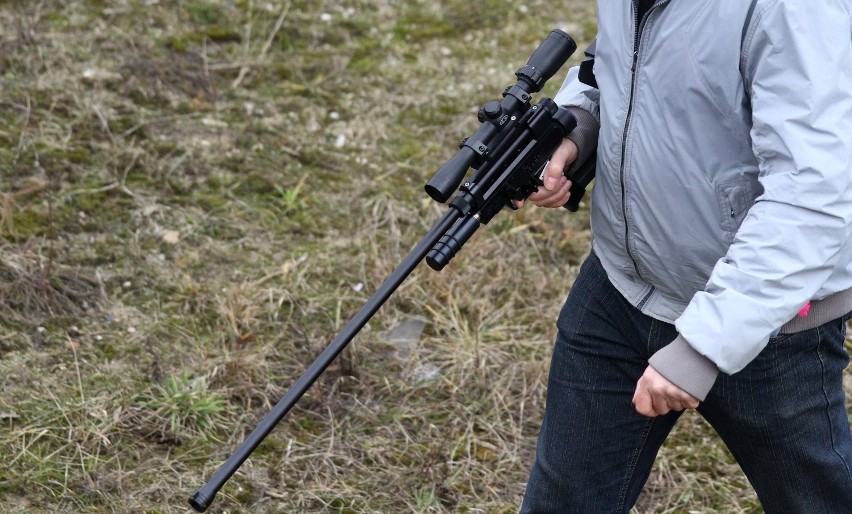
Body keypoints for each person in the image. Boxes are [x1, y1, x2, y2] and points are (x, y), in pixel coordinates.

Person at [519, 1, 852, 512]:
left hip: (772, 325)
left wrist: (702, 347)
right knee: (563, 501)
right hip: (621, 286)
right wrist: (577, 128)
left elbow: (813, 195)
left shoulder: (795, 10)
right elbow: (618, 61)